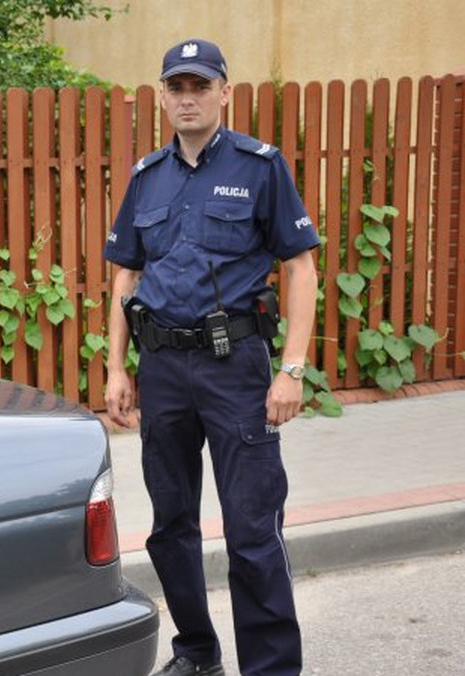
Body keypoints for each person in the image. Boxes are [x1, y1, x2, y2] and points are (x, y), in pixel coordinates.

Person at [103, 39, 319, 676]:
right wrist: (118, 368)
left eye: (201, 85)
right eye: (177, 86)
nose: (188, 97)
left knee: (252, 528)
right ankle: (197, 653)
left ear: (225, 92)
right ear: (163, 96)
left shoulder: (260, 166)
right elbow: (124, 277)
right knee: (170, 526)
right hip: (163, 370)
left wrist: (292, 368)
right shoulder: (147, 178)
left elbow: (300, 267)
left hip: (237, 368)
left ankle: (272, 667)